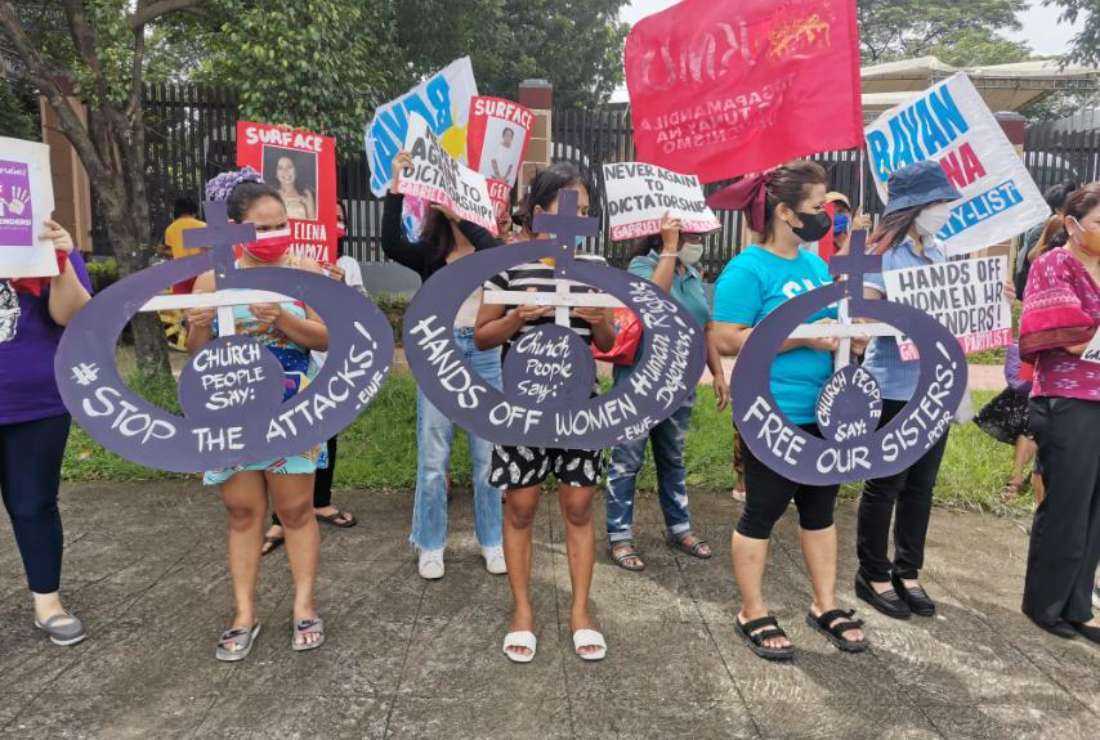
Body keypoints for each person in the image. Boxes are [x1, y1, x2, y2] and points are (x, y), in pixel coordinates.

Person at [707, 160, 868, 661]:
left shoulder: (817, 267)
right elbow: (726, 338)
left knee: (820, 509)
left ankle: (825, 604)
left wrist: (851, 338)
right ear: (784, 212)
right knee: (763, 510)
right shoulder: (747, 269)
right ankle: (752, 610)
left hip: (826, 413)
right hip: (772, 413)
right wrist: (802, 336)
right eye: (818, 207)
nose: (827, 217)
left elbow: (832, 327)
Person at [475, 161, 615, 663]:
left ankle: (580, 611)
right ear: (538, 213)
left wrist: (600, 321)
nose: (573, 218)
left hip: (579, 407)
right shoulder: (509, 266)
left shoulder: (595, 266)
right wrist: (516, 317)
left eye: (583, 208)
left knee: (578, 506)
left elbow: (607, 342)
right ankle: (523, 611)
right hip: (523, 407)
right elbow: (482, 334)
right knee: (521, 506)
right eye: (563, 207)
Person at [188, 169, 328, 660]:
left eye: (279, 225)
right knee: (244, 511)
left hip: (292, 403)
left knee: (294, 510)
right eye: (261, 228)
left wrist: (284, 321)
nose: (272, 236)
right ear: (235, 227)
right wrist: (199, 326)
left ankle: (304, 605)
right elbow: (196, 351)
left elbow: (328, 337)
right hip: (231, 404)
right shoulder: (213, 277)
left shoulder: (306, 272)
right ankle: (244, 612)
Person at [855, 160, 994, 620]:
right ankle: (872, 572)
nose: (946, 211)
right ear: (915, 207)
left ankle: (907, 570)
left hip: (936, 385)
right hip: (894, 383)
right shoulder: (881, 253)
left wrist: (990, 301)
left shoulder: (942, 251)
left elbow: (960, 306)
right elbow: (865, 315)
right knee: (886, 481)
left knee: (922, 484)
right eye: (939, 203)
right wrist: (909, 318)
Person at [384, 151, 506, 580]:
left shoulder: (489, 250)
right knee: (434, 457)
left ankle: (492, 541)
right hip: (440, 355)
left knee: (487, 457)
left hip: (484, 355)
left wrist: (464, 218)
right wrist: (396, 184)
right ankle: (430, 543)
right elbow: (390, 244)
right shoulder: (430, 254)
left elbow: (499, 256)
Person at [604, 215, 729, 571]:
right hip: (639, 384)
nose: (696, 241)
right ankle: (619, 535)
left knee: (673, 458)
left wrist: (717, 372)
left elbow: (705, 328)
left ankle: (679, 527)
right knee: (627, 460)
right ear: (664, 234)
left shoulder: (693, 276)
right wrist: (670, 250)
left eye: (696, 235)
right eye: (688, 234)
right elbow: (651, 305)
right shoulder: (641, 266)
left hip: (679, 386)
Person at [0, 219, 92, 646]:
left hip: (35, 401)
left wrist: (60, 260)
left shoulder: (39, 235)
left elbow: (71, 314)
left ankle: (48, 602)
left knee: (33, 503)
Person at [1018, 183, 1100, 643]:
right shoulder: (1054, 264)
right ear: (1072, 224)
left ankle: (1079, 605)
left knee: (1095, 508)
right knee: (1067, 503)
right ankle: (1046, 603)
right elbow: (1068, 333)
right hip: (1069, 400)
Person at [262, 202, 359, 556]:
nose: (334, 223)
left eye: (339, 219)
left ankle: (319, 500)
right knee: (276, 445)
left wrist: (337, 289)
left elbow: (355, 311)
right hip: (286, 365)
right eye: (327, 217)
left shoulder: (346, 265)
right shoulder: (285, 264)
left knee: (322, 436)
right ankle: (279, 516)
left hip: (328, 361)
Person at [974, 343, 1041, 503]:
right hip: (1028, 395)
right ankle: (1015, 480)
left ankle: (1025, 479)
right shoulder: (1019, 347)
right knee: (1029, 425)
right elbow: (1019, 383)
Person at [1015, 181, 1078, 298]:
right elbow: (1033, 259)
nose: (1076, 209)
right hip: (1038, 292)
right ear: (1058, 210)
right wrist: (1048, 232)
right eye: (1070, 206)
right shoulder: (1040, 230)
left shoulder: (1076, 228)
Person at [163, 196, 206, 295]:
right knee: (202, 304)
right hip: (200, 272)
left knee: (183, 304)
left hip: (180, 273)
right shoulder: (202, 226)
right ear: (194, 210)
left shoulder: (170, 229)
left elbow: (170, 250)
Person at [824, 191, 871, 256]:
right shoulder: (817, 245)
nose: (836, 215)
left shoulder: (859, 243)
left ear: (849, 214)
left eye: (840, 211)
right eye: (832, 211)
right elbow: (832, 264)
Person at [272, 155, 316, 221]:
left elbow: (314, 224)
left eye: (289, 167)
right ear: (276, 174)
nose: (285, 171)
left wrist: (307, 206)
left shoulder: (306, 194)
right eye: (280, 168)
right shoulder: (271, 195)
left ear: (296, 171)